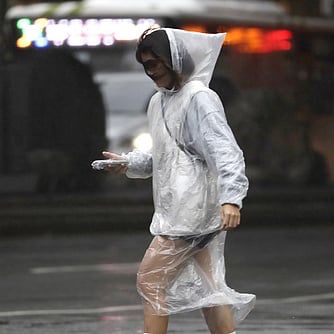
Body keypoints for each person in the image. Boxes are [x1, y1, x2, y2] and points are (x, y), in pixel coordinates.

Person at [96, 25, 255, 334]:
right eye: (145, 65)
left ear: (174, 60)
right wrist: (128, 163)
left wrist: (231, 199)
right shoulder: (160, 102)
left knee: (151, 279)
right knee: (211, 290)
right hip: (180, 211)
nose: (150, 72)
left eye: (154, 63)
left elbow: (225, 152)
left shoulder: (200, 99)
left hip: (190, 214)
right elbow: (165, 156)